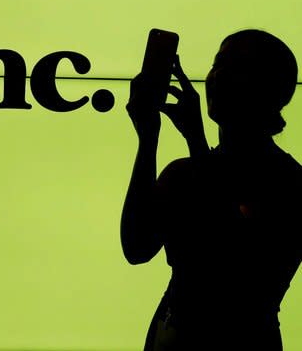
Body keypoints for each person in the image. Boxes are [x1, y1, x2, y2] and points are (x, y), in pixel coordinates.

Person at [121, 29, 302, 350]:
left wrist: (194, 140)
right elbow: (136, 246)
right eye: (218, 64)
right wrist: (148, 137)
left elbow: (233, 258)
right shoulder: (186, 170)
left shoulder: (288, 181)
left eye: (239, 67)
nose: (218, 77)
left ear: (271, 88)